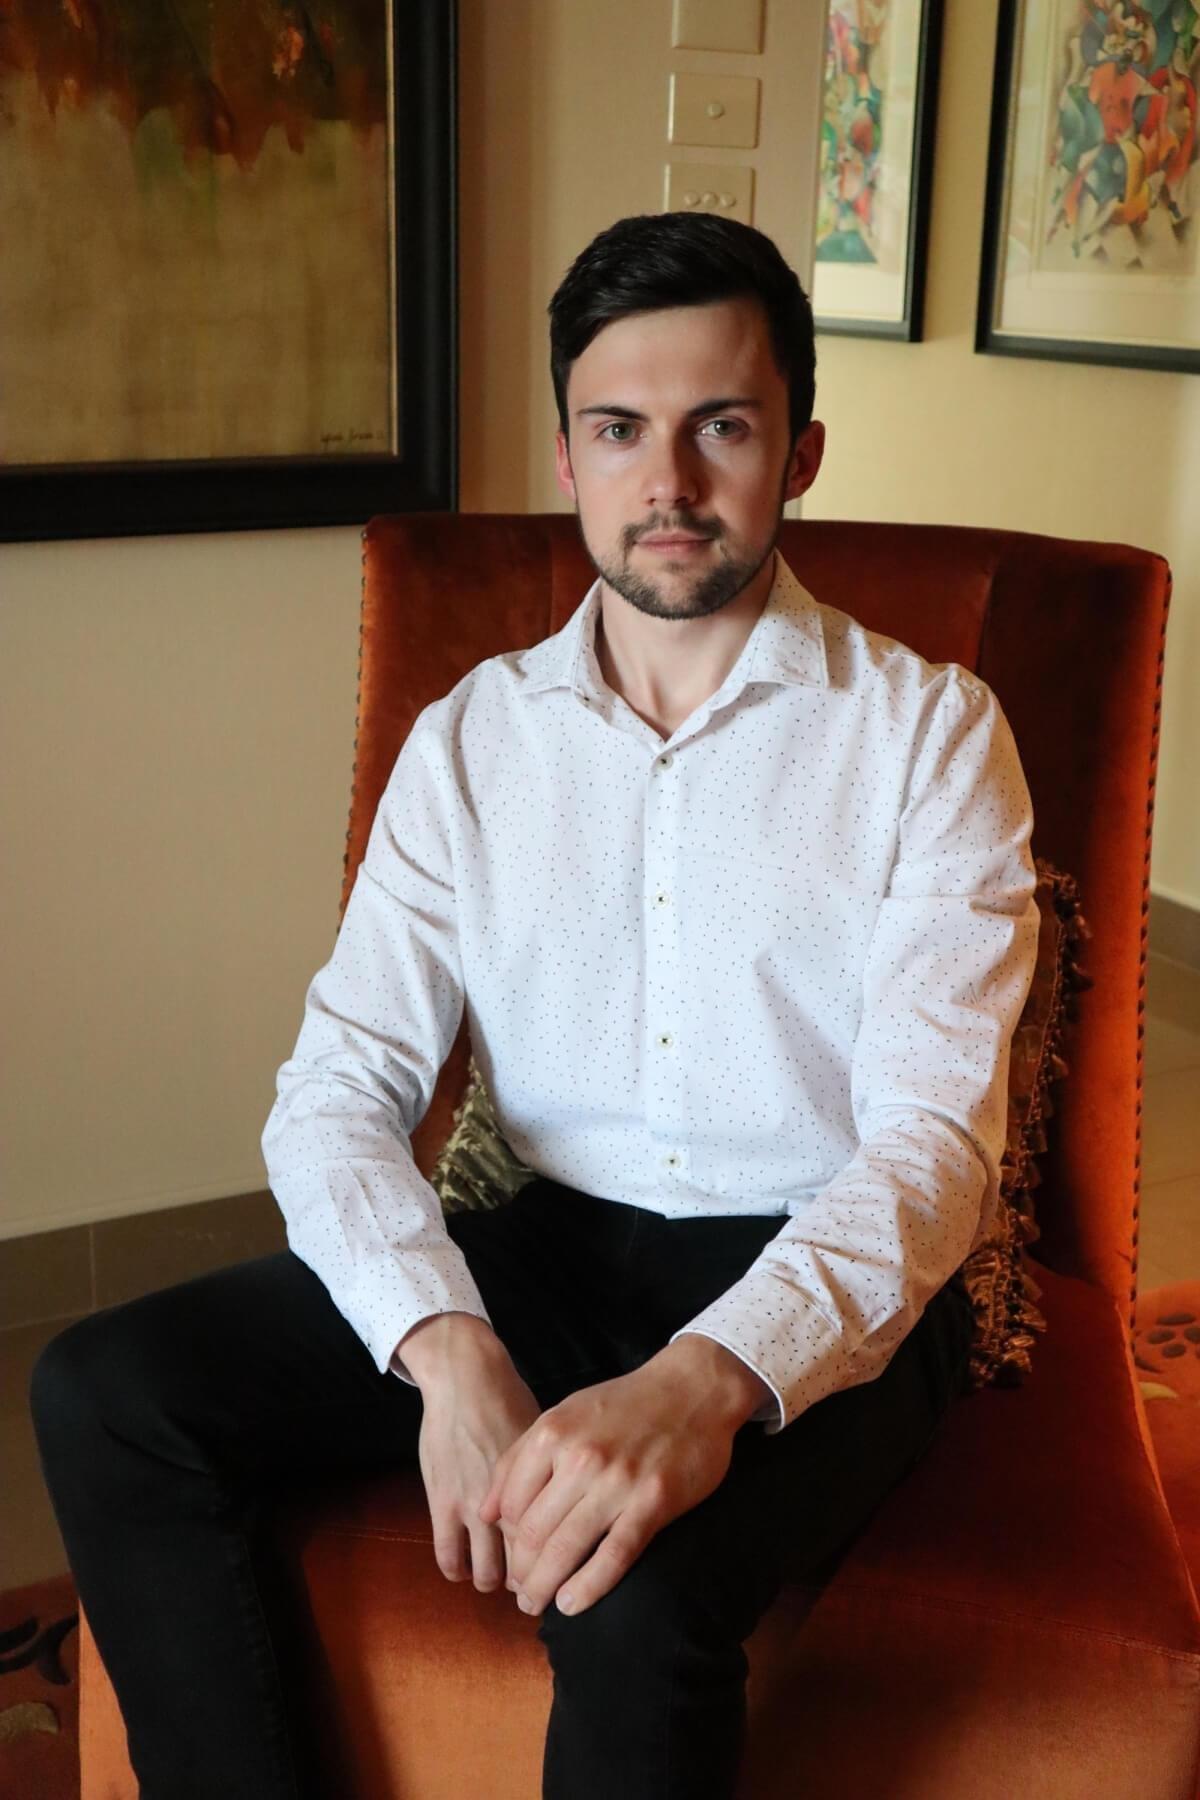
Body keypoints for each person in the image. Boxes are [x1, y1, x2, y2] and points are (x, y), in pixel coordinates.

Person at [30, 211, 1040, 1800]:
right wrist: (448, 1348)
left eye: (723, 426)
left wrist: (703, 1387)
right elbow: (341, 1086)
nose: (672, 484)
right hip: (550, 1249)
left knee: (623, 1596)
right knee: (103, 1392)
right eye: (621, 430)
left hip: (824, 1280)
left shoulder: (929, 737)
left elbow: (927, 1158)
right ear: (566, 454)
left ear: (801, 452)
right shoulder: (471, 742)